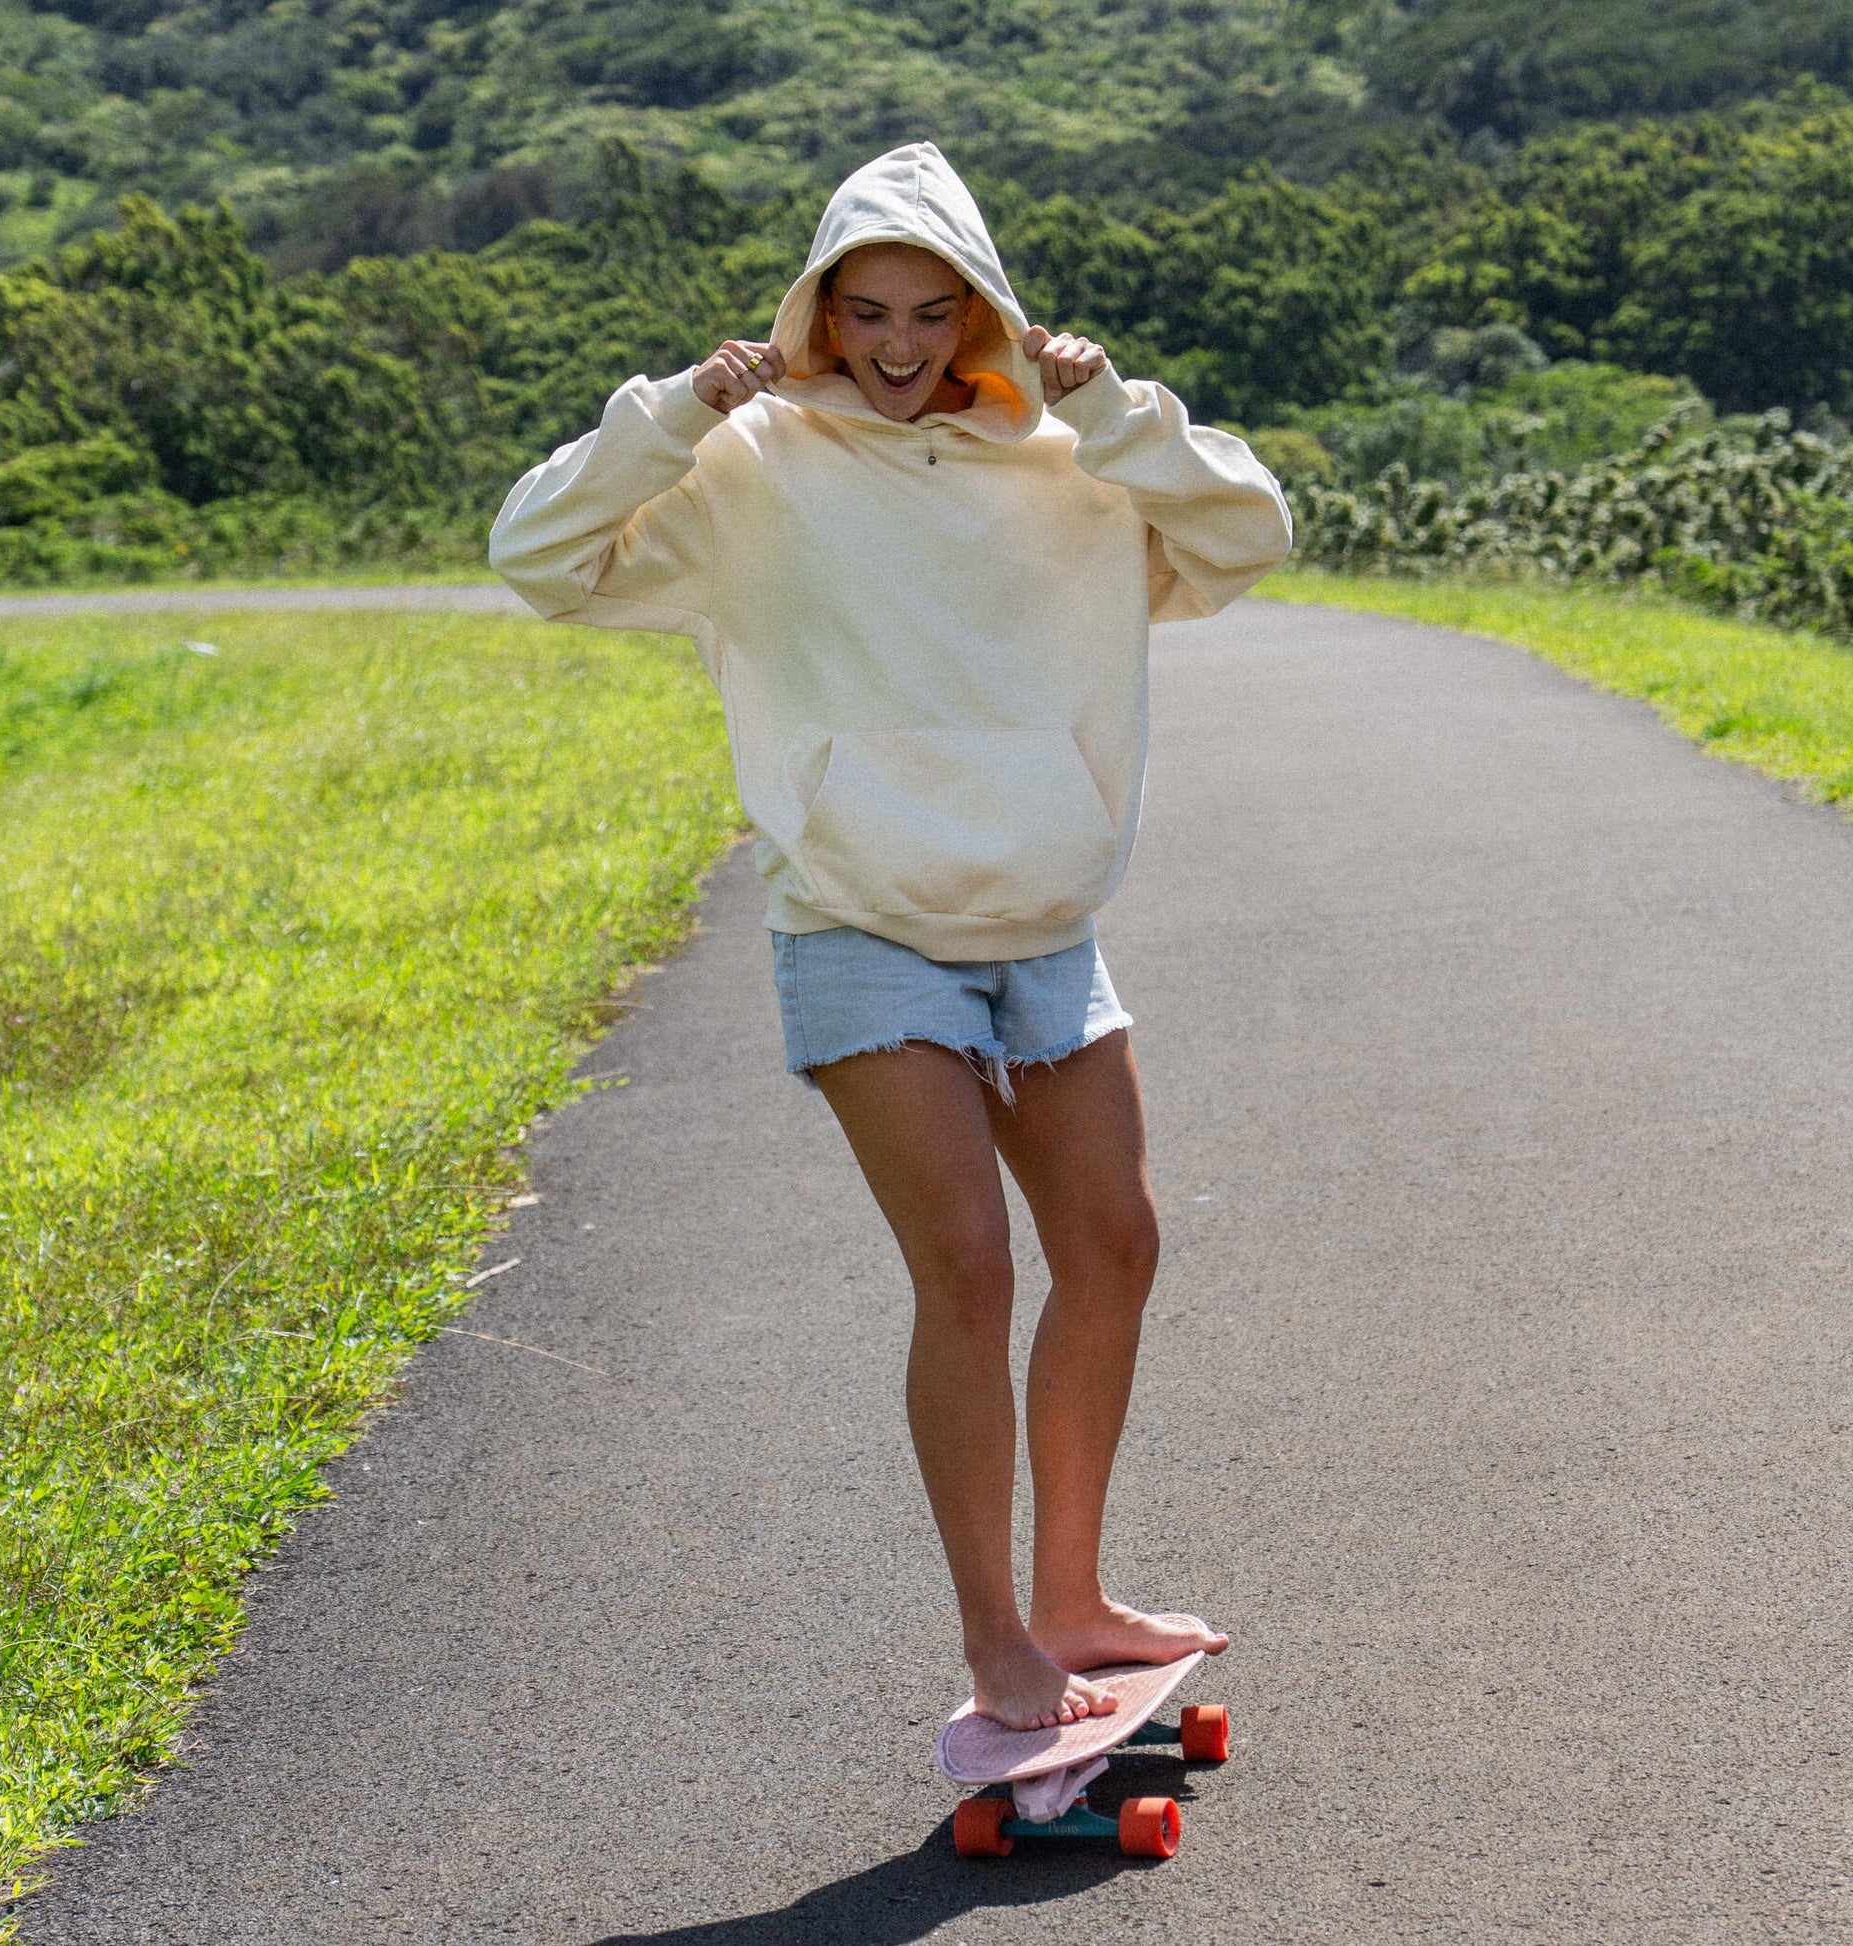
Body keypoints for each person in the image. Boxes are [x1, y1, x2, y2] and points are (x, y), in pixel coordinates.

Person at [490, 142, 1292, 1731]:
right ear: (817, 311)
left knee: (1116, 1246)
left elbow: (1247, 535)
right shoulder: (753, 462)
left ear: (984, 307)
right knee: (968, 1268)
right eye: (867, 311)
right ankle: (998, 1634)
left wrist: (1117, 409)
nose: (903, 342)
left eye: (935, 308)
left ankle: (1073, 1594)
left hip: (1044, 921)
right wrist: (674, 414)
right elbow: (538, 560)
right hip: (861, 915)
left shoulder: (1071, 456)